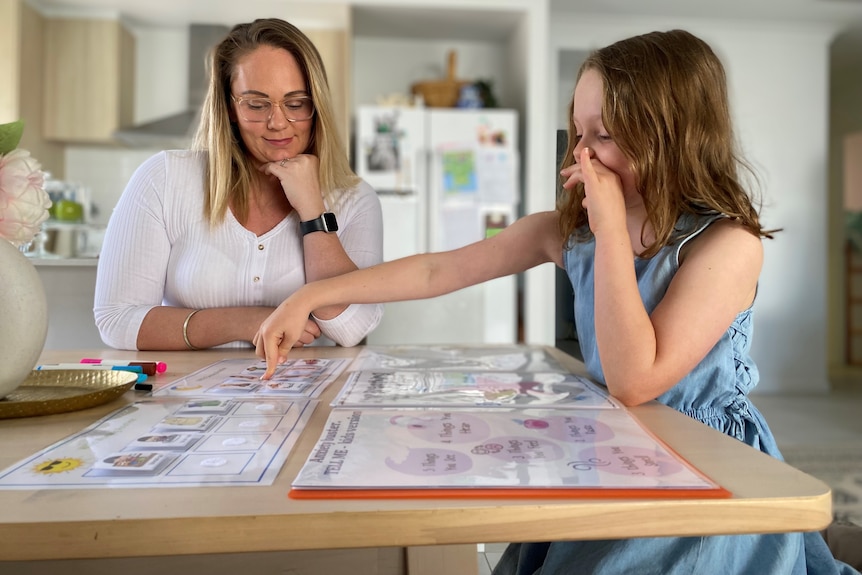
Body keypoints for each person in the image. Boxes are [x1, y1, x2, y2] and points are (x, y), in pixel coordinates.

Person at [253, 29, 860, 574]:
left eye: (606, 135)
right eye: (578, 132)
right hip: (611, 451)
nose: (584, 154)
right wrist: (312, 294)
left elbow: (633, 377)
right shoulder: (564, 231)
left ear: (674, 135)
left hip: (703, 472)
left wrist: (613, 231)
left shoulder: (727, 245)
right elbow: (440, 270)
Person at [94, 18, 383, 351]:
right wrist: (248, 321)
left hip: (303, 399)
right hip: (186, 398)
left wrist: (312, 210)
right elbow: (116, 320)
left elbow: (352, 330)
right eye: (257, 105)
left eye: (295, 103)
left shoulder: (355, 199)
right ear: (230, 108)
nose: (278, 123)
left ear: (315, 106)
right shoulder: (163, 179)